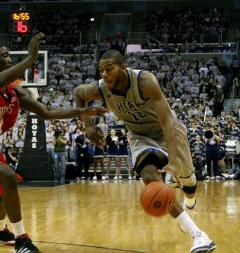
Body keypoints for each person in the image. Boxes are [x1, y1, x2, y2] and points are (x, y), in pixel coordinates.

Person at [74, 50, 216, 253]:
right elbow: (79, 94)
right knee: (149, 177)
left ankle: (191, 200)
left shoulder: (145, 81)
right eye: (101, 70)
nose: (104, 74)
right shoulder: (101, 89)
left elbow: (167, 121)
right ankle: (199, 235)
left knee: (189, 183)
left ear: (122, 68)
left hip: (167, 130)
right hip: (139, 135)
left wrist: (174, 160)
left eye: (109, 69)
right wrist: (87, 125)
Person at [0, 33, 107, 253]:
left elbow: (47, 112)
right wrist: (30, 59)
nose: (9, 60)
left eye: (10, 56)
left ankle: (1, 229)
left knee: (2, 202)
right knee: (8, 176)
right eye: (4, 56)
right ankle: (22, 240)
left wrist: (80, 112)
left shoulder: (15, 92)